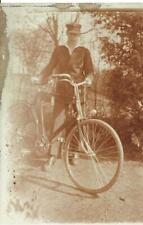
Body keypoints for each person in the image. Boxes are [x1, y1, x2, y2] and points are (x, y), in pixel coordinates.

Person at [37, 23, 94, 170]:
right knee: (57, 121)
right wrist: (41, 77)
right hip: (61, 90)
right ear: (67, 34)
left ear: (79, 35)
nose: (73, 37)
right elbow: (50, 66)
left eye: (76, 34)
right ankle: (52, 155)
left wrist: (88, 79)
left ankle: (74, 152)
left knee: (77, 122)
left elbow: (90, 71)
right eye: (71, 34)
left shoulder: (84, 52)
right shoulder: (59, 50)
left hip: (78, 90)